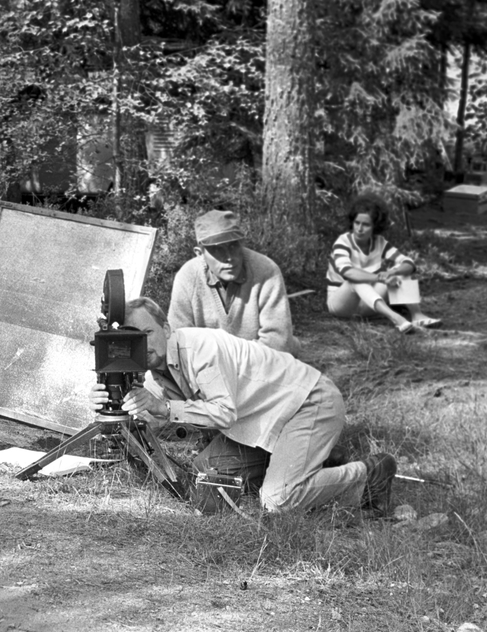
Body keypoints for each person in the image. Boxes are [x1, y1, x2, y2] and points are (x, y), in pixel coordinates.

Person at [90, 297, 398, 515]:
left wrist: (165, 409)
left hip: (308, 402)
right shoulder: (158, 366)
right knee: (205, 478)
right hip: (260, 421)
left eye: (147, 334)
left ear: (166, 329)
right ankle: (317, 461)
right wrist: (113, 400)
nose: (144, 346)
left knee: (278, 501)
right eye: (135, 341)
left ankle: (369, 474)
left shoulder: (199, 349)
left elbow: (222, 412)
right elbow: (156, 417)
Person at [168, 209, 297, 354]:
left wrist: (230, 362)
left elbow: (278, 342)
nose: (229, 257)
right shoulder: (187, 277)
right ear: (200, 253)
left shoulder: (266, 270)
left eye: (233, 246)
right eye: (217, 249)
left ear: (242, 243)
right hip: (207, 368)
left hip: (261, 365)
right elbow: (178, 341)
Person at [327, 194, 441, 333]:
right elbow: (347, 272)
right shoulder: (343, 242)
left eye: (366, 224)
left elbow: (409, 263)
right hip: (342, 305)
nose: (359, 229)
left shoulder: (379, 242)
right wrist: (380, 277)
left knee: (400, 271)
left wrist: (392, 273)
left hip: (368, 305)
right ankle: (396, 318)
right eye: (357, 223)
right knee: (354, 279)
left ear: (375, 226)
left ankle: (417, 315)